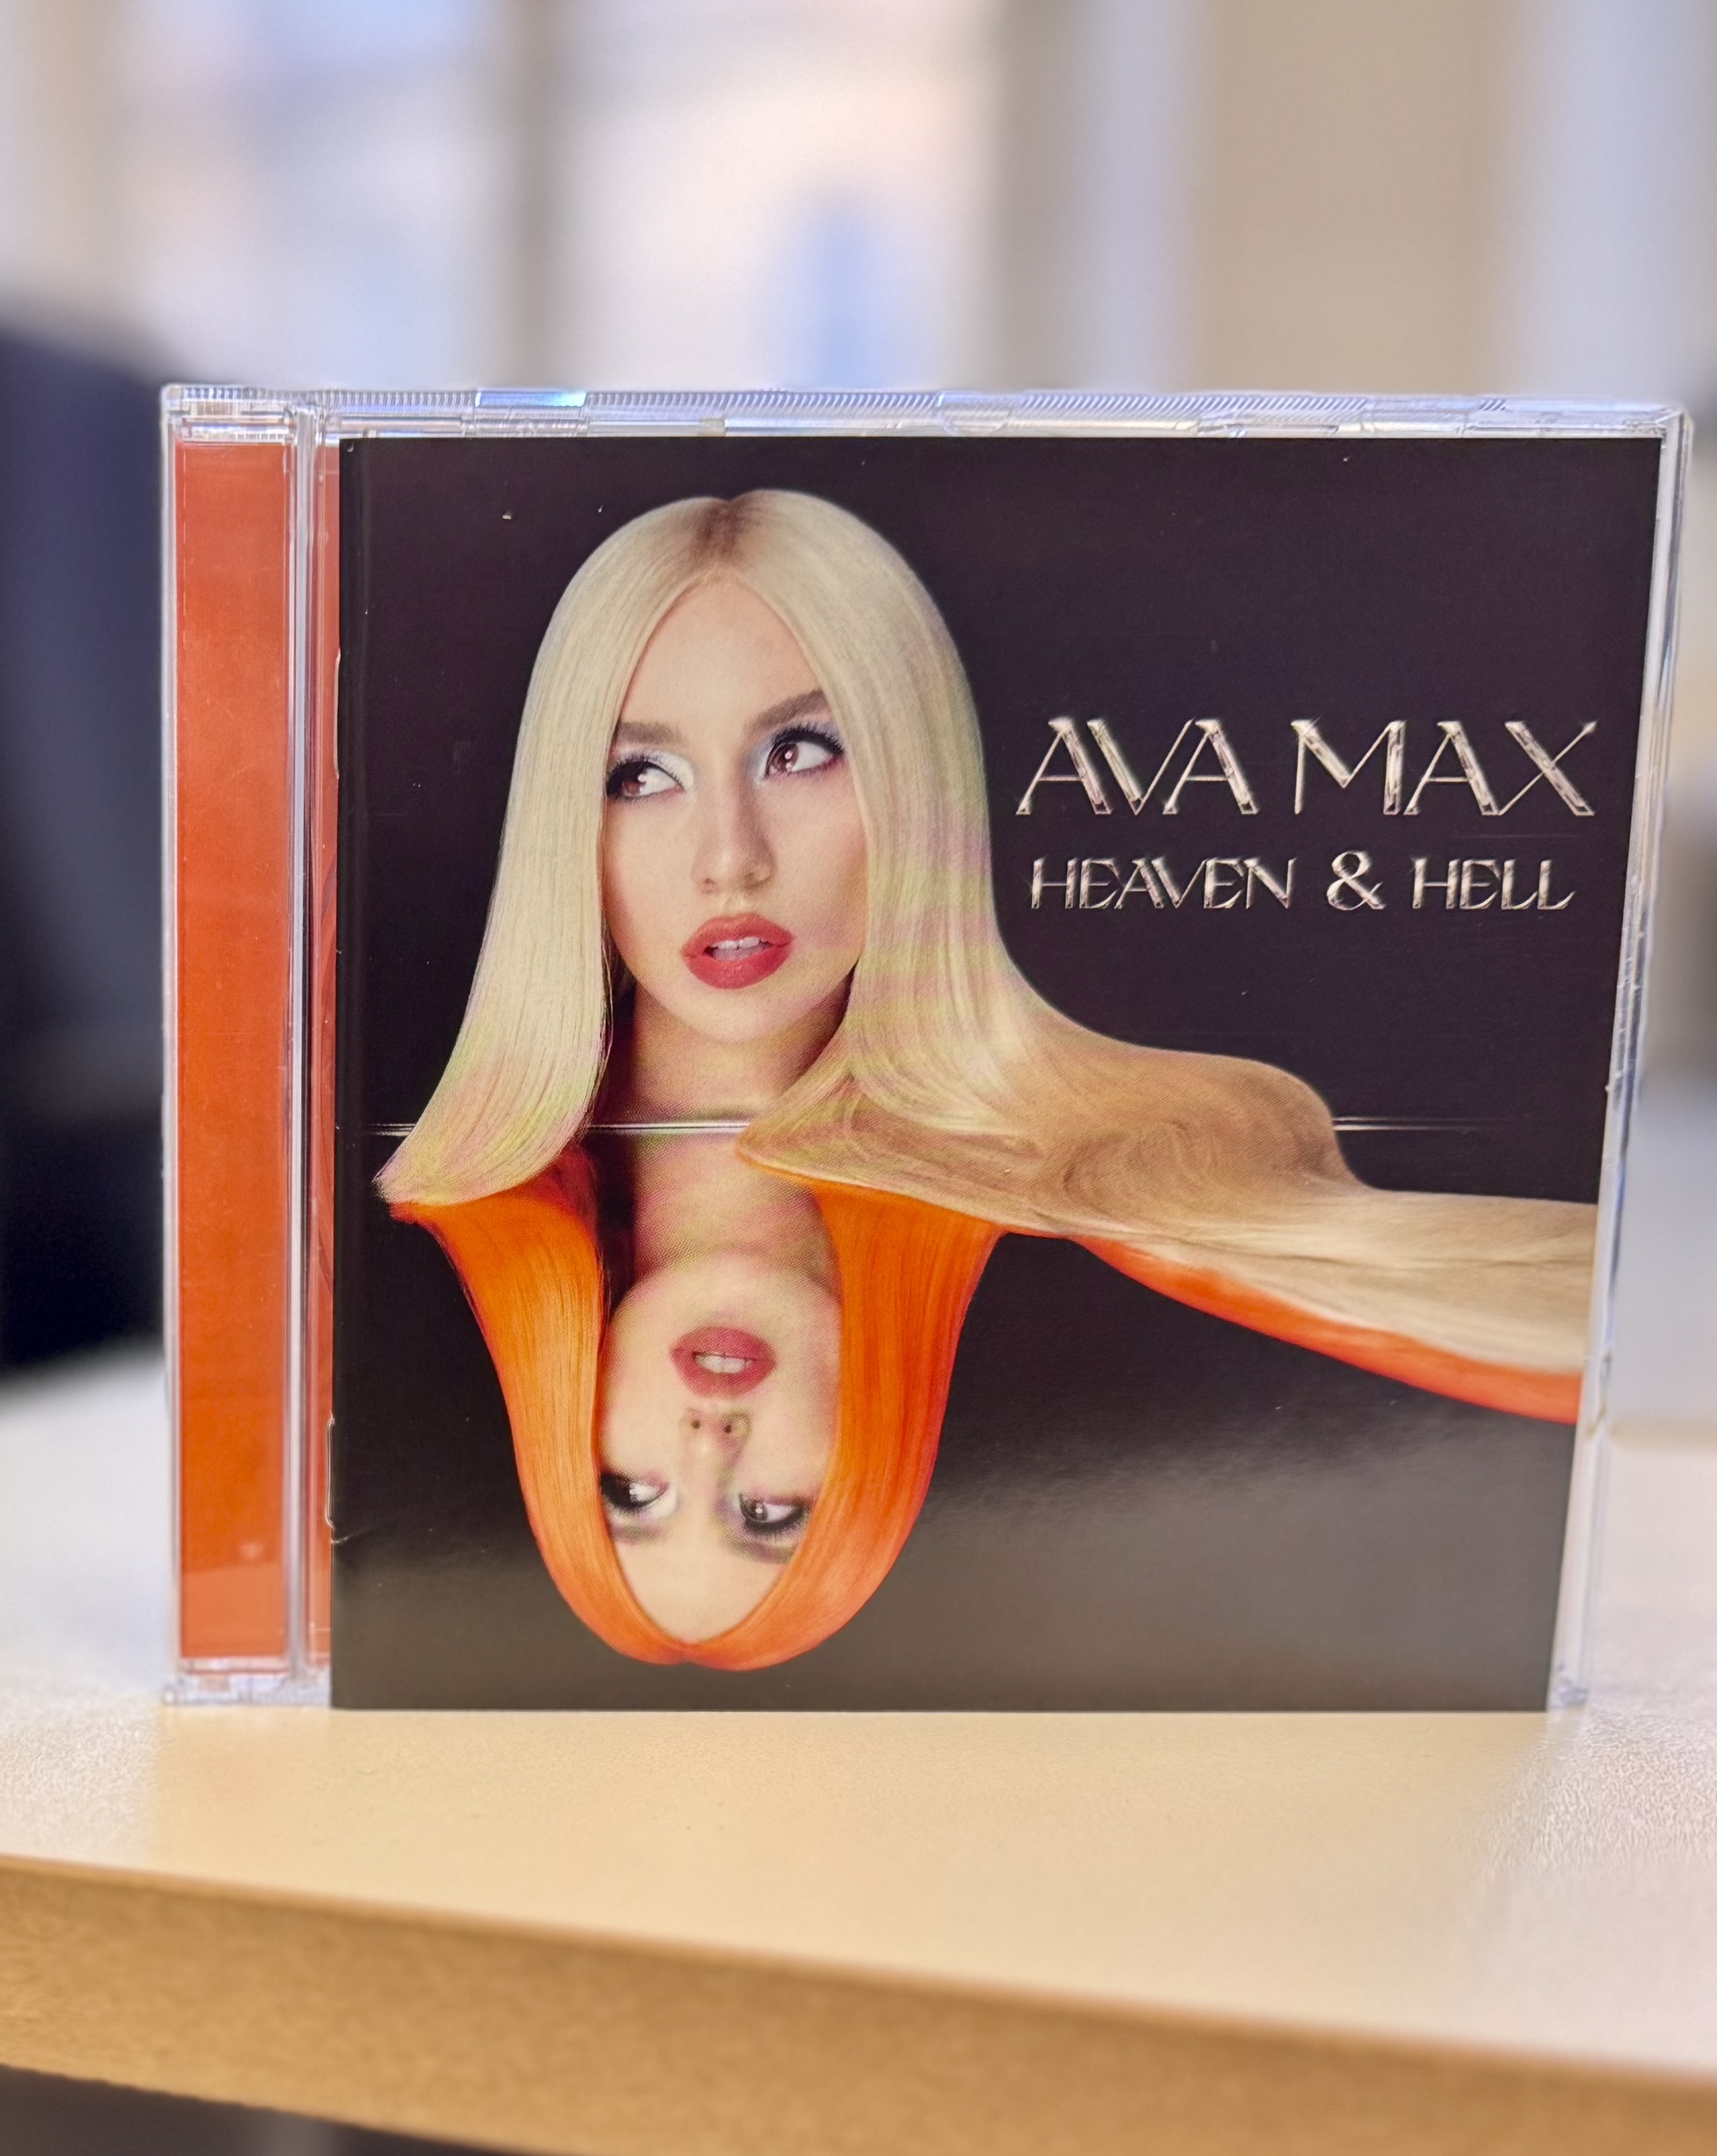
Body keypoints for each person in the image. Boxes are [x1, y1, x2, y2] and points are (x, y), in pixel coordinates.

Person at [376, 488, 1596, 1670]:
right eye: (643, 776)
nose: (728, 860)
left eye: (800, 750)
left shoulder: (1114, 1182)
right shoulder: (1116, 1274)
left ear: (917, 784)